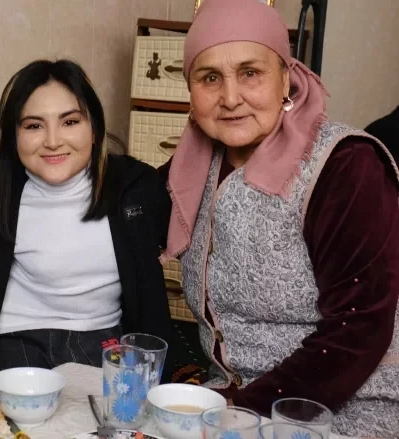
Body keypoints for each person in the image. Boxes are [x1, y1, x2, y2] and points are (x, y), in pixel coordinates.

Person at [158, 0, 399, 437]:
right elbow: (122, 209)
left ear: (285, 78)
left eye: (250, 73)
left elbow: (360, 325)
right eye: (209, 78)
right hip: (228, 404)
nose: (230, 98)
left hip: (349, 412)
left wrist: (239, 411)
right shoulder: (190, 170)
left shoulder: (345, 166)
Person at [0, 59, 173, 374]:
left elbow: (188, 223)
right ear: (13, 137)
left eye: (70, 122)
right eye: (34, 126)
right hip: (20, 338)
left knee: (110, 406)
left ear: (94, 129)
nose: (52, 141)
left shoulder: (135, 189)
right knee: (21, 407)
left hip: (104, 339)